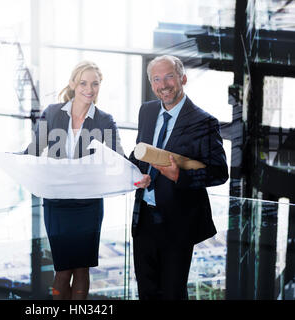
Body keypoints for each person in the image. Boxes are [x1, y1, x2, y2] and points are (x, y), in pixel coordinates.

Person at [129, 55, 229, 300]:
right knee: (147, 291)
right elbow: (140, 154)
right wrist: (132, 171)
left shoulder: (203, 122)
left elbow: (219, 173)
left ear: (183, 78)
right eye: (157, 79)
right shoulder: (147, 111)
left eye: (169, 76)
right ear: (152, 84)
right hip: (144, 220)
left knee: (173, 293)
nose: (163, 84)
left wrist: (179, 176)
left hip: (178, 222)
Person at [25, 61, 124, 300]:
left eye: (95, 84)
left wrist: (137, 175)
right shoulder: (52, 113)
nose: (89, 89)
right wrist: (5, 160)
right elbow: (33, 151)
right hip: (57, 204)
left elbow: (118, 159)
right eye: (83, 83)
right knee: (62, 270)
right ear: (72, 84)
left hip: (88, 205)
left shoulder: (104, 120)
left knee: (81, 267)